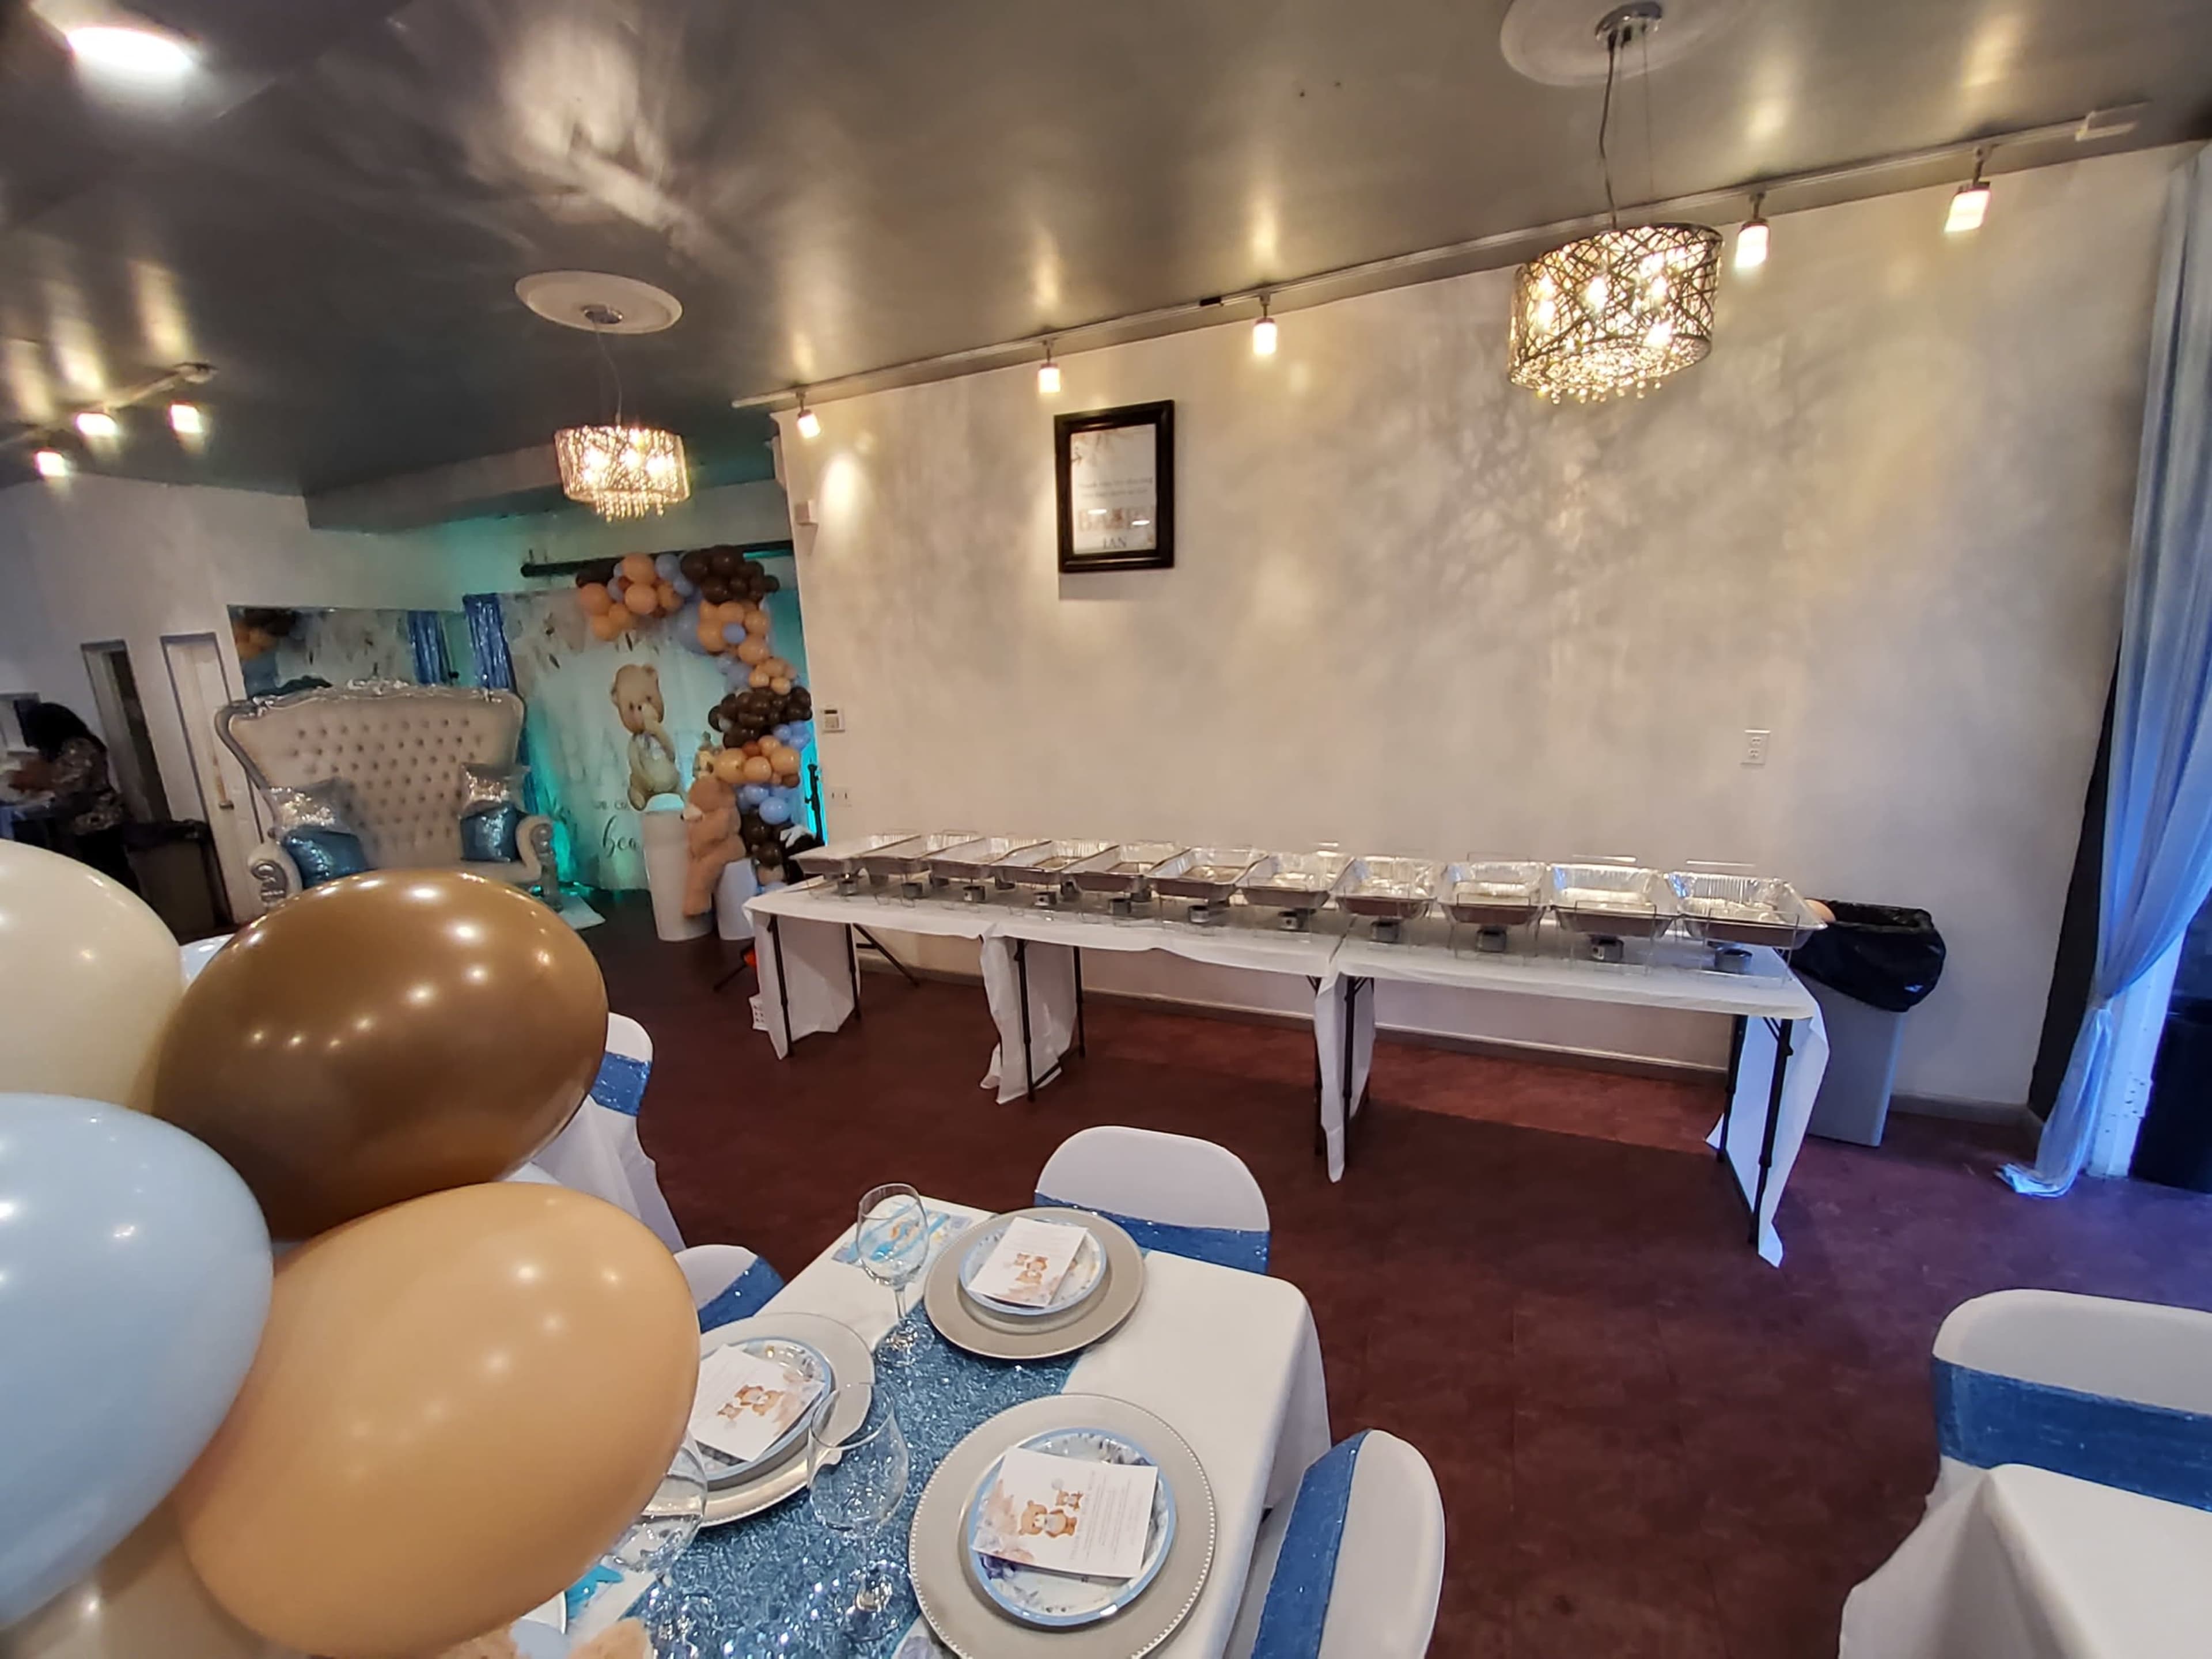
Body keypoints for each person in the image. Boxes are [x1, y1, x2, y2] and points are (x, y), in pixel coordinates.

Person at [7, 702, 137, 889]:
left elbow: (74, 783)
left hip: (99, 821)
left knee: (110, 876)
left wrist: (34, 780)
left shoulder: (78, 747)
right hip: (86, 822)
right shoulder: (68, 747)